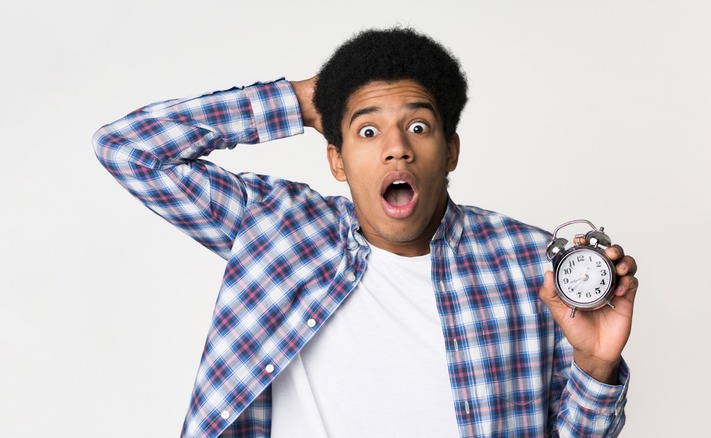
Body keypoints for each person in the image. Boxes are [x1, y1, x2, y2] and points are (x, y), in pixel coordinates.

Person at [93, 27, 638, 437]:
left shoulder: (534, 266)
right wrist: (302, 100)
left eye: (418, 126)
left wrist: (596, 367)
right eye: (368, 130)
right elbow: (128, 149)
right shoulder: (276, 227)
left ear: (450, 151)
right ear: (337, 159)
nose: (396, 147)